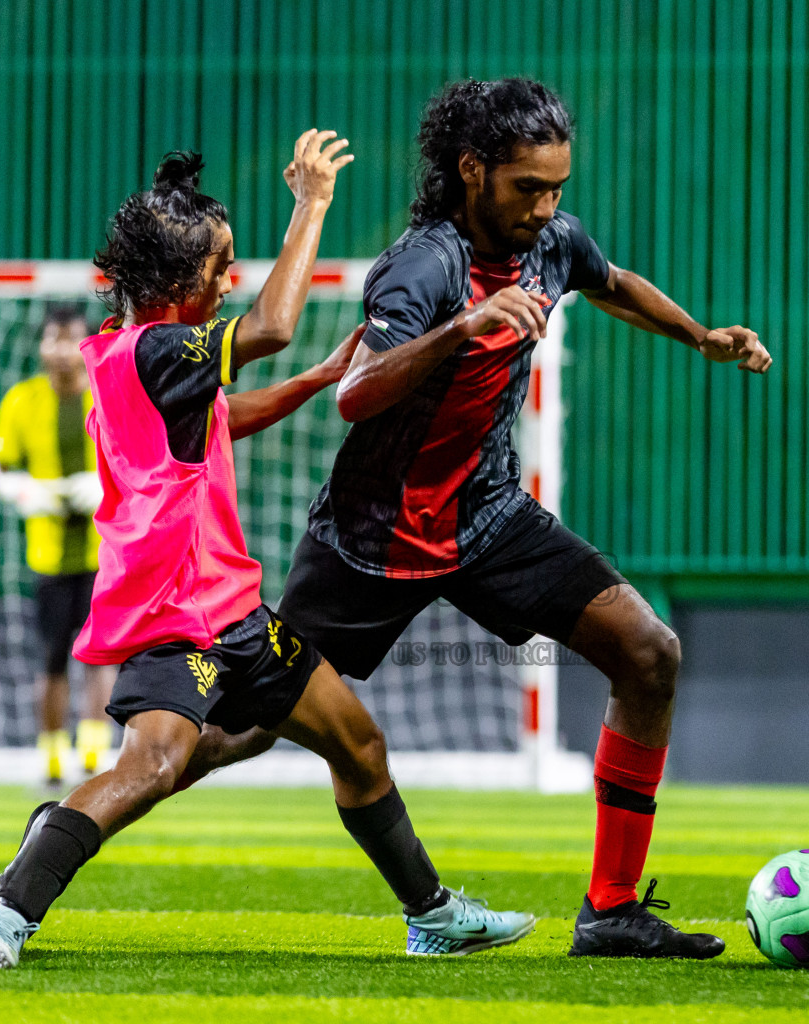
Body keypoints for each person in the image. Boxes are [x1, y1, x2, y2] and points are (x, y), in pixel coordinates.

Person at [172, 78, 771, 960]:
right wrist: (465, 326)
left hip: (488, 519)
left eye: (557, 187)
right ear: (471, 170)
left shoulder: (552, 241)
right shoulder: (426, 265)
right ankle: (77, 826)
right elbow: (357, 393)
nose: (546, 206)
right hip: (371, 539)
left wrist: (700, 337)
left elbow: (613, 283)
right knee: (245, 727)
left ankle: (610, 911)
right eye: (528, 187)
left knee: (649, 653)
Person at [0, 134, 534, 969]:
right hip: (174, 613)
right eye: (221, 269)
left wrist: (318, 381)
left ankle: (430, 913)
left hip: (235, 612)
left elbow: (225, 415)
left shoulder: (129, 349)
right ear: (181, 288)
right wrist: (312, 204)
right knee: (154, 766)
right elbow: (275, 326)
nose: (231, 282)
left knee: (357, 745)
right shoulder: (153, 349)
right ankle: (1, 917)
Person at [0, 306, 116, 784]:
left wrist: (105, 485)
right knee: (52, 655)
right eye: (54, 339)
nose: (63, 350)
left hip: (106, 553)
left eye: (72, 339)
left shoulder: (108, 395)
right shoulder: (22, 400)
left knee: (101, 653)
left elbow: (138, 458)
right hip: (47, 555)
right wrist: (24, 491)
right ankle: (51, 752)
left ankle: (95, 749)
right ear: (42, 345)